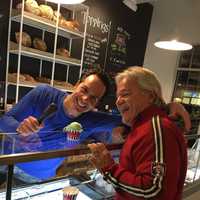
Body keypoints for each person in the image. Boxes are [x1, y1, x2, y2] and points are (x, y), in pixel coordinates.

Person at [0, 69, 189, 184]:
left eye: (93, 98)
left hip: (38, 179)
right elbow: (5, 120)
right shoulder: (43, 94)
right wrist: (21, 128)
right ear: (76, 85)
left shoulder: (92, 119)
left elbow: (136, 116)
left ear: (97, 103)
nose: (85, 99)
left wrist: (168, 107)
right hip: (8, 166)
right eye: (84, 90)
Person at [88, 67, 188, 200]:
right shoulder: (144, 126)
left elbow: (154, 191)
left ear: (151, 96)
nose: (118, 101)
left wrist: (109, 168)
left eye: (125, 94)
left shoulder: (158, 129)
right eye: (118, 96)